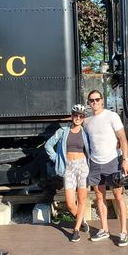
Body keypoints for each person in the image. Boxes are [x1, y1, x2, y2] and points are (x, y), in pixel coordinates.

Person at [84, 90, 128, 247]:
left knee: (118, 196)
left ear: (102, 100)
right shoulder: (87, 121)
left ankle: (123, 232)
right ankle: (104, 229)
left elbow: (123, 140)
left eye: (97, 99)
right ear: (88, 102)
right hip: (95, 164)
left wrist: (125, 161)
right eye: (91, 100)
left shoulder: (112, 116)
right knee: (99, 197)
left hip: (112, 162)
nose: (95, 102)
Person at [45, 104, 90, 243]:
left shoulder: (86, 133)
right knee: (70, 204)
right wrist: (57, 159)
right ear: (72, 116)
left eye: (81, 116)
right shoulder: (63, 131)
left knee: (82, 200)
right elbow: (48, 145)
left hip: (82, 167)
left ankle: (76, 230)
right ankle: (81, 220)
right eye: (75, 115)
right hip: (68, 168)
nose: (78, 117)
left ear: (83, 118)